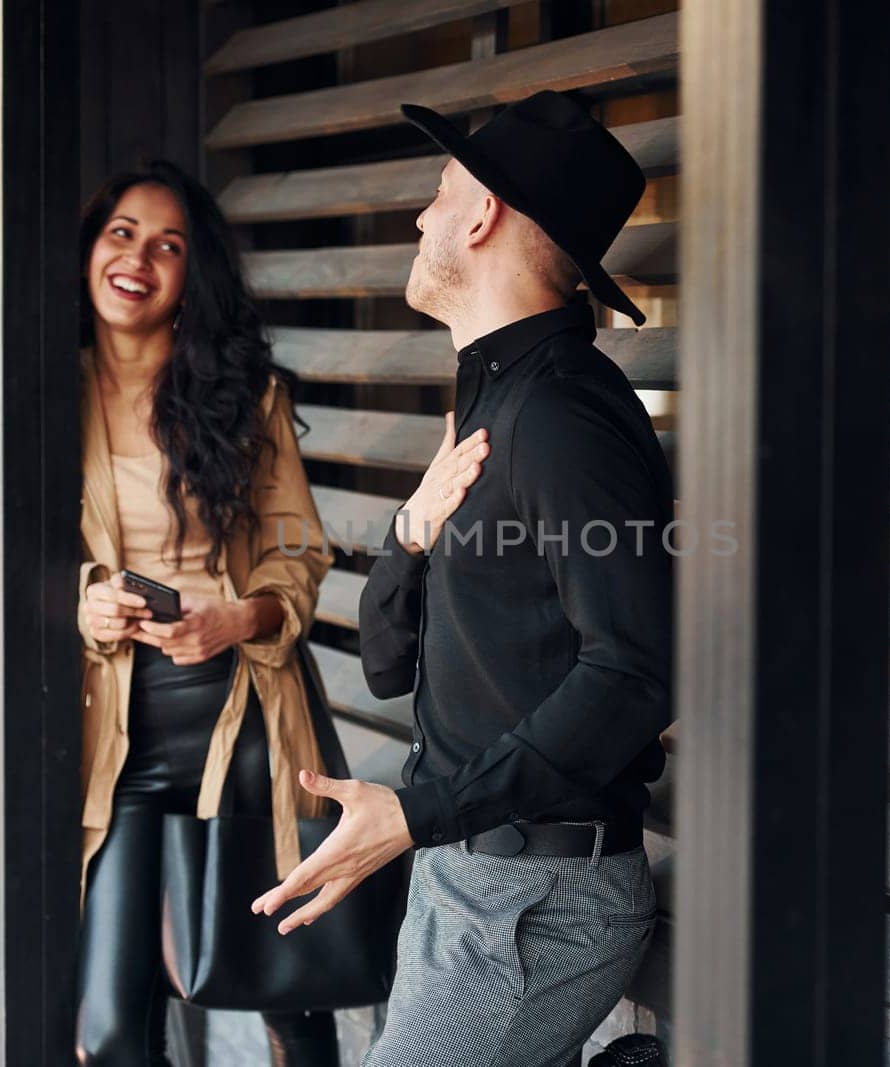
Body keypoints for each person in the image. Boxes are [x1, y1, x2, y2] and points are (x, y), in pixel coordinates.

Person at [250, 92, 675, 1066]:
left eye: (437, 192)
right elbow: (393, 661)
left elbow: (637, 671)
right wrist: (408, 528)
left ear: (482, 215)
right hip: (466, 870)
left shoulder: (565, 415)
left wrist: (413, 813)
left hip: (536, 899)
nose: (419, 217)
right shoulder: (493, 403)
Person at [73, 160, 338, 1066]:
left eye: (168, 245)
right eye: (122, 233)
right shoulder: (42, 395)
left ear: (194, 276)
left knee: (291, 1006)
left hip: (249, 722)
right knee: (111, 1029)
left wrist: (238, 617)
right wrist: (83, 601)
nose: (138, 256)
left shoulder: (247, 396)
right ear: (90, 249)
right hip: (117, 737)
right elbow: (17, 560)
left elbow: (299, 552)